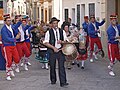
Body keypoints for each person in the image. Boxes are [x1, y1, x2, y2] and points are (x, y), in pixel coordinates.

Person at [43, 17, 69, 87]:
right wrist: (53, 47)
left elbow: (66, 41)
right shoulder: (49, 32)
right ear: (51, 24)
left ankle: (63, 82)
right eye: (54, 23)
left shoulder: (62, 31)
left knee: (61, 66)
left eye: (56, 23)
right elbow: (45, 42)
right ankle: (53, 80)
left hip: (60, 50)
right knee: (52, 66)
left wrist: (62, 42)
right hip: (52, 51)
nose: (55, 25)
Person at [1, 14, 21, 80]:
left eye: (10, 20)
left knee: (17, 59)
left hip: (13, 45)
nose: (9, 22)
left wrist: (20, 20)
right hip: (7, 46)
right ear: (5, 22)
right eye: (8, 21)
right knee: (8, 61)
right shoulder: (3, 29)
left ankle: (11, 69)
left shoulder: (11, 26)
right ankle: (8, 74)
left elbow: (16, 26)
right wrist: (15, 38)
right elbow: (6, 38)